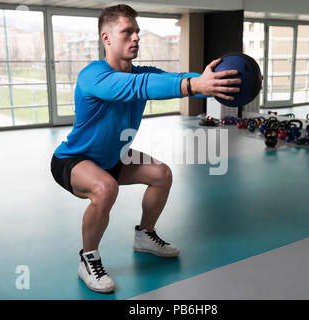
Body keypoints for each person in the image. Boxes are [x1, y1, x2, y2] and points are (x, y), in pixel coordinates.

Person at [50, 4, 241, 293]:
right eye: (127, 31)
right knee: (105, 188)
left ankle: (145, 235)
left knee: (161, 174)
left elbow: (173, 79)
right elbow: (142, 86)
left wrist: (212, 82)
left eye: (137, 31)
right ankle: (88, 258)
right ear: (107, 38)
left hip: (113, 158)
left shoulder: (142, 72)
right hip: (74, 159)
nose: (136, 37)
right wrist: (196, 85)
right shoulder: (94, 76)